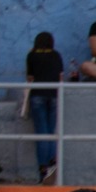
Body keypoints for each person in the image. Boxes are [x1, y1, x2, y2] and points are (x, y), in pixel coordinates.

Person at [23, 32, 64, 183]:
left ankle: (43, 169)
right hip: (54, 95)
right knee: (51, 133)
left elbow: (30, 77)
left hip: (37, 96)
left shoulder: (32, 55)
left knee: (42, 133)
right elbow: (60, 76)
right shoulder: (56, 55)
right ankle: (52, 168)